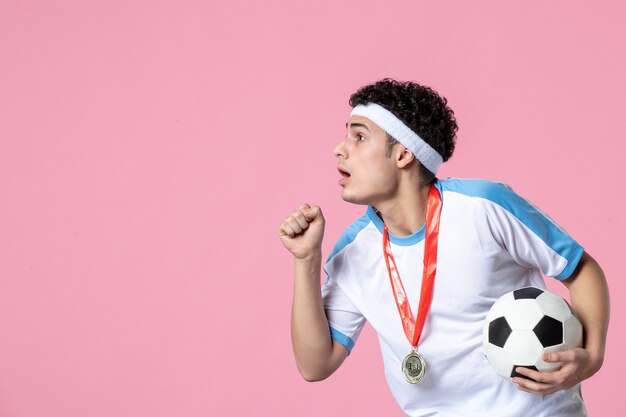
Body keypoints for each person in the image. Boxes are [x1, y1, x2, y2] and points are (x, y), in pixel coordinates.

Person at [277, 78, 609, 416]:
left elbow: (580, 269)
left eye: (359, 136)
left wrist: (592, 356)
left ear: (403, 153)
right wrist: (306, 260)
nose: (339, 148)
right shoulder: (355, 249)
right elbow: (315, 365)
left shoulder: (483, 207)